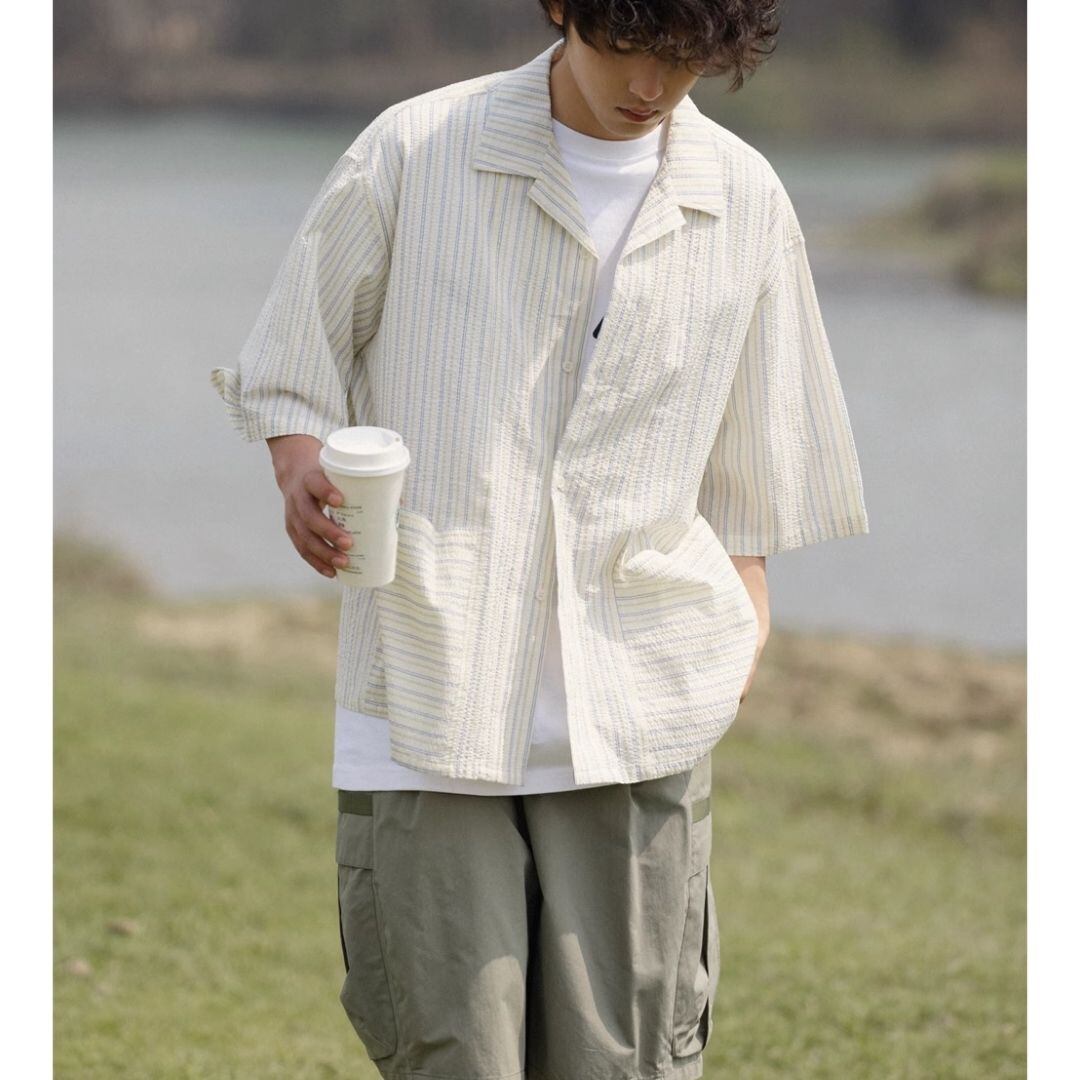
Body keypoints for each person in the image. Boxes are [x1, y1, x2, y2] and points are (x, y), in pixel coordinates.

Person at [211, 2, 869, 1077]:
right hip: (429, 691)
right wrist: (298, 462)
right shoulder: (416, 148)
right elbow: (295, 355)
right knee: (453, 1056)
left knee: (626, 1059)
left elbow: (758, 463)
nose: (650, 87)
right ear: (566, 9)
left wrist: (746, 629)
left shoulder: (745, 196)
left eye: (683, 60)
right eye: (628, 46)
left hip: (642, 703)